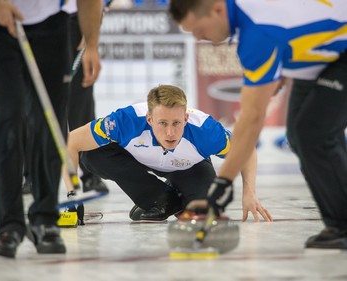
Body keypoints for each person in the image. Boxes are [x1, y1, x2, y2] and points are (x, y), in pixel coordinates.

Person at [168, 0, 347, 249]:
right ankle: (338, 224)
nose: (199, 38)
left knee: (312, 134)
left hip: (338, 53)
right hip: (318, 57)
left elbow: (252, 119)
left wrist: (222, 185)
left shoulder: (257, 34)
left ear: (217, 9)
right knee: (299, 135)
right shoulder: (249, 21)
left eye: (199, 30)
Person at [0, 0, 102, 258]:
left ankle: (45, 219)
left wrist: (92, 44)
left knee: (50, 121)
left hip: (49, 27)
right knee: (12, 115)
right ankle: (9, 226)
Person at [64, 84, 272, 222]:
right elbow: (72, 142)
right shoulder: (124, 121)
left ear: (186, 120)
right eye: (162, 123)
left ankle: (175, 194)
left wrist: (249, 193)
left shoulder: (206, 131)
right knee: (93, 155)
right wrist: (73, 198)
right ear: (149, 119)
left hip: (188, 167)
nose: (170, 133)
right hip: (137, 161)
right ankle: (160, 198)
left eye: (176, 123)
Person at [63, 0, 109, 194]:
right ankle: (31, 176)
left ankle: (91, 174)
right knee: (36, 104)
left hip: (77, 20)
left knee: (80, 106)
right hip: (36, 24)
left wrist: (90, 32)